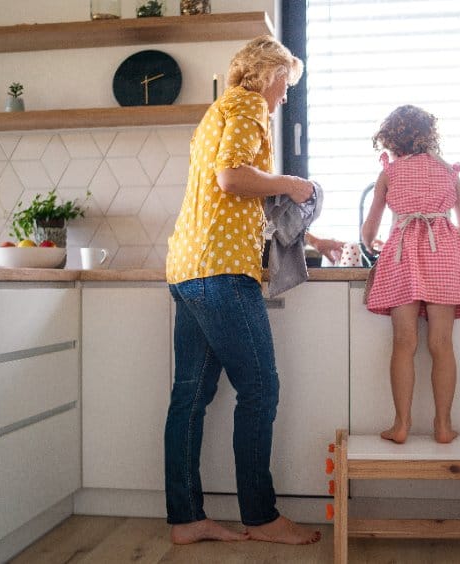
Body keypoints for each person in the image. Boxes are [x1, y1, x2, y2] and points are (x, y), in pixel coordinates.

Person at [164, 35, 322, 546]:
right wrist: (291, 183)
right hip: (223, 274)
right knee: (260, 389)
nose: (283, 97)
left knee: (190, 397)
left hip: (189, 268)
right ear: (270, 75)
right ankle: (261, 516)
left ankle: (186, 519)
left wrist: (316, 235)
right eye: (285, 85)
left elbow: (234, 200)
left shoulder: (217, 111)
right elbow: (233, 179)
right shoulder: (251, 104)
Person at [361, 105, 460, 445]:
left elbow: (369, 231)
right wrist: (441, 234)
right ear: (429, 136)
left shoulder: (390, 173)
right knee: (442, 345)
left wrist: (380, 240)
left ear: (391, 141)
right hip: (443, 257)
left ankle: (401, 425)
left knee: (404, 343)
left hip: (402, 259)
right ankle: (443, 426)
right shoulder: (448, 171)